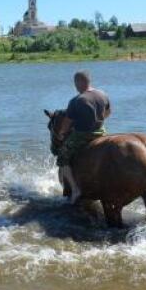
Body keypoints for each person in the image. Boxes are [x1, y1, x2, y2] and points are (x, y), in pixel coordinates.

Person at [57, 71, 111, 204]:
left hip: (83, 135)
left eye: (75, 83)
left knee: (62, 156)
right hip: (101, 131)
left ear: (79, 82)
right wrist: (97, 121)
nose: (75, 86)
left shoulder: (76, 100)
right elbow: (108, 112)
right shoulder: (102, 94)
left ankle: (75, 189)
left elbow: (67, 123)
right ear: (89, 80)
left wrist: (62, 134)